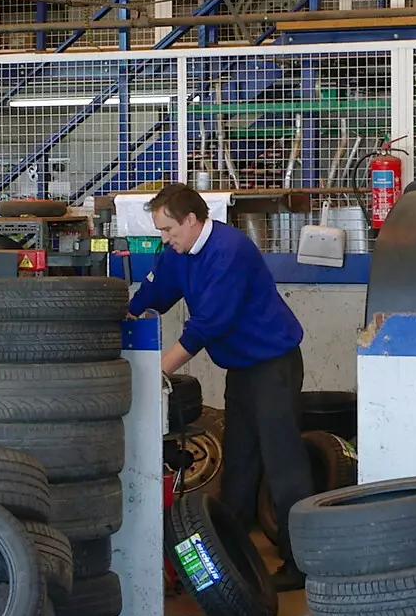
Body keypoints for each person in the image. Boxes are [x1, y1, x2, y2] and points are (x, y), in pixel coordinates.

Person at [128, 183, 312, 589]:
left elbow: (207, 326)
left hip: (273, 365)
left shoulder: (230, 251)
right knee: (240, 459)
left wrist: (152, 372)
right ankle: (231, 548)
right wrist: (123, 318)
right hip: (242, 369)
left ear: (192, 220)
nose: (165, 239)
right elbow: (156, 293)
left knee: (283, 463)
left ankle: (302, 563)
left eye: (168, 231)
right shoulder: (180, 252)